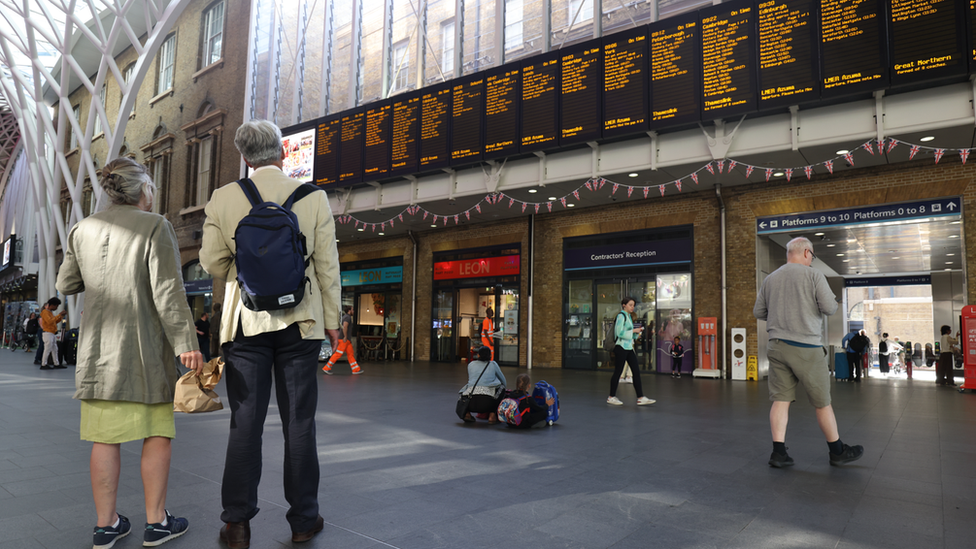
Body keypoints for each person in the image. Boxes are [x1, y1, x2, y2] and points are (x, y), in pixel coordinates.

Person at [201, 119, 341, 548]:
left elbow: (209, 261)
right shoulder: (313, 197)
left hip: (246, 324)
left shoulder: (225, 197)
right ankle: (303, 520)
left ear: (245, 157)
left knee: (245, 423)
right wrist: (333, 322)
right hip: (302, 324)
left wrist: (244, 273)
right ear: (282, 152)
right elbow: (327, 266)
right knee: (300, 423)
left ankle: (237, 523)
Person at [55, 157, 203, 548]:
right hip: (146, 349)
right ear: (142, 190)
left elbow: (66, 282)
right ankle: (156, 523)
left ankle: (106, 526)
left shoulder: (82, 229)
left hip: (99, 352)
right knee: (156, 432)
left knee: (104, 438)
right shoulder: (155, 225)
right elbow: (169, 292)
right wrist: (187, 343)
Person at [753, 237, 862, 468]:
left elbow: (758, 311)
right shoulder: (814, 275)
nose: (812, 259)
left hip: (776, 345)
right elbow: (830, 308)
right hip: (806, 348)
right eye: (812, 255)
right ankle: (837, 451)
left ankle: (779, 453)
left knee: (780, 400)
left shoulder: (770, 278)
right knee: (822, 402)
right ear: (806, 253)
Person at [608, 297, 655, 406]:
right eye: (630, 305)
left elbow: (628, 333)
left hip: (628, 347)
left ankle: (640, 397)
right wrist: (634, 330)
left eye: (633, 305)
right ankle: (611, 396)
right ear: (624, 305)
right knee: (618, 372)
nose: (632, 307)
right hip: (621, 347)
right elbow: (619, 333)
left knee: (636, 371)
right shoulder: (621, 316)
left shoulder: (628, 316)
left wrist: (636, 333)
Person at [459, 346, 507, 423]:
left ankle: (467, 413)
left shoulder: (471, 364)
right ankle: (492, 415)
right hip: (487, 403)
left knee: (466, 388)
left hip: (469, 402)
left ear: (478, 355)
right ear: (490, 356)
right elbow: (503, 381)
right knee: (502, 387)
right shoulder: (493, 364)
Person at [323, 305, 362, 375]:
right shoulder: (348, 317)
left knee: (350, 354)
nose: (353, 311)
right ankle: (327, 367)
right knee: (338, 354)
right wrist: (345, 337)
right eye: (352, 310)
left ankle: (355, 369)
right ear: (349, 311)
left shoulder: (344, 317)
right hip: (344, 340)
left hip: (346, 340)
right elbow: (345, 326)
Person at [39, 297, 65, 369]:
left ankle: (56, 363)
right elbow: (50, 321)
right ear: (52, 305)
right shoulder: (45, 312)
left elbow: (54, 321)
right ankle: (44, 364)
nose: (56, 307)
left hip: (51, 333)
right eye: (56, 306)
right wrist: (59, 315)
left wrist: (60, 316)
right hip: (48, 333)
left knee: (54, 349)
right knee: (48, 349)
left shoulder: (49, 312)